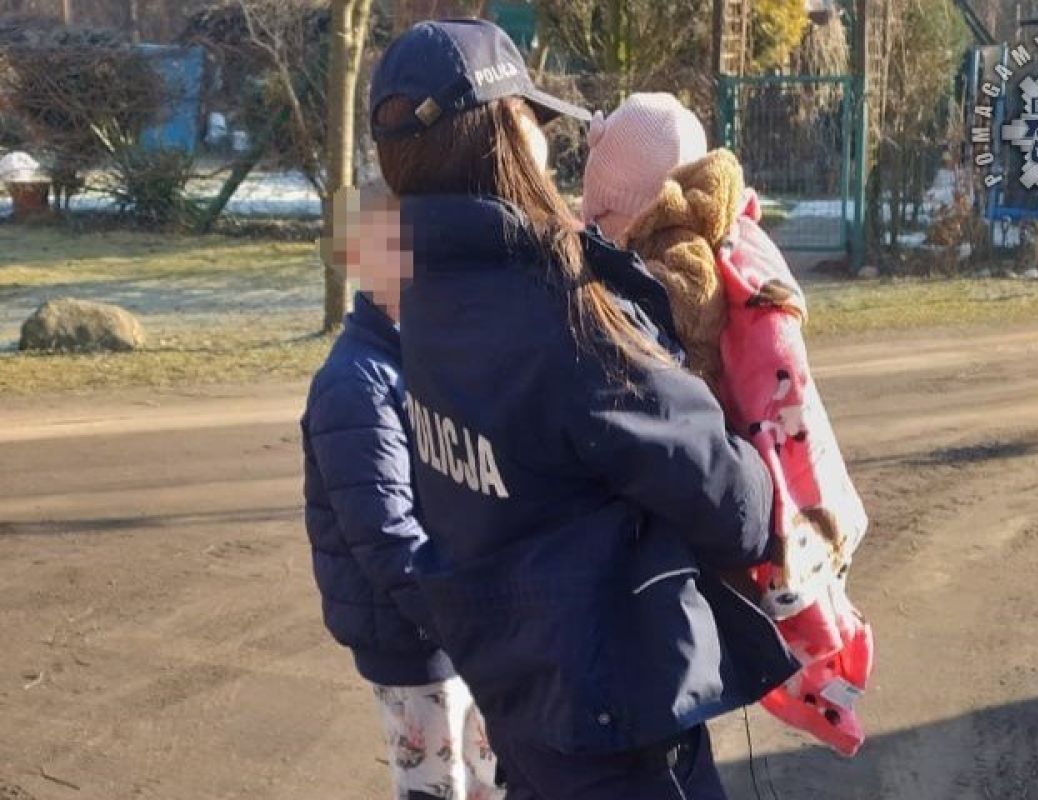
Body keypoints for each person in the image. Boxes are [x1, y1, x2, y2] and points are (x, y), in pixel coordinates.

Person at [366, 19, 798, 800]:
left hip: (523, 698)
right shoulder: (561, 316)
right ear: (503, 133)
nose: (550, 147)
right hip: (617, 722)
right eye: (533, 119)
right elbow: (738, 505)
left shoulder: (430, 297)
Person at [581, 95, 874, 755]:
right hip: (747, 472)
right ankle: (829, 662)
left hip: (726, 489)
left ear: (627, 207)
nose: (592, 227)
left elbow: (672, 386)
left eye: (600, 213)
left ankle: (827, 673)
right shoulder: (733, 236)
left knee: (761, 615)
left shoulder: (674, 270)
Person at [301, 186, 502, 800]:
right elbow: (385, 533)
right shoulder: (354, 382)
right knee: (439, 786)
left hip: (463, 625)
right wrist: (465, 619)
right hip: (413, 637)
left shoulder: (421, 357)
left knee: (495, 778)